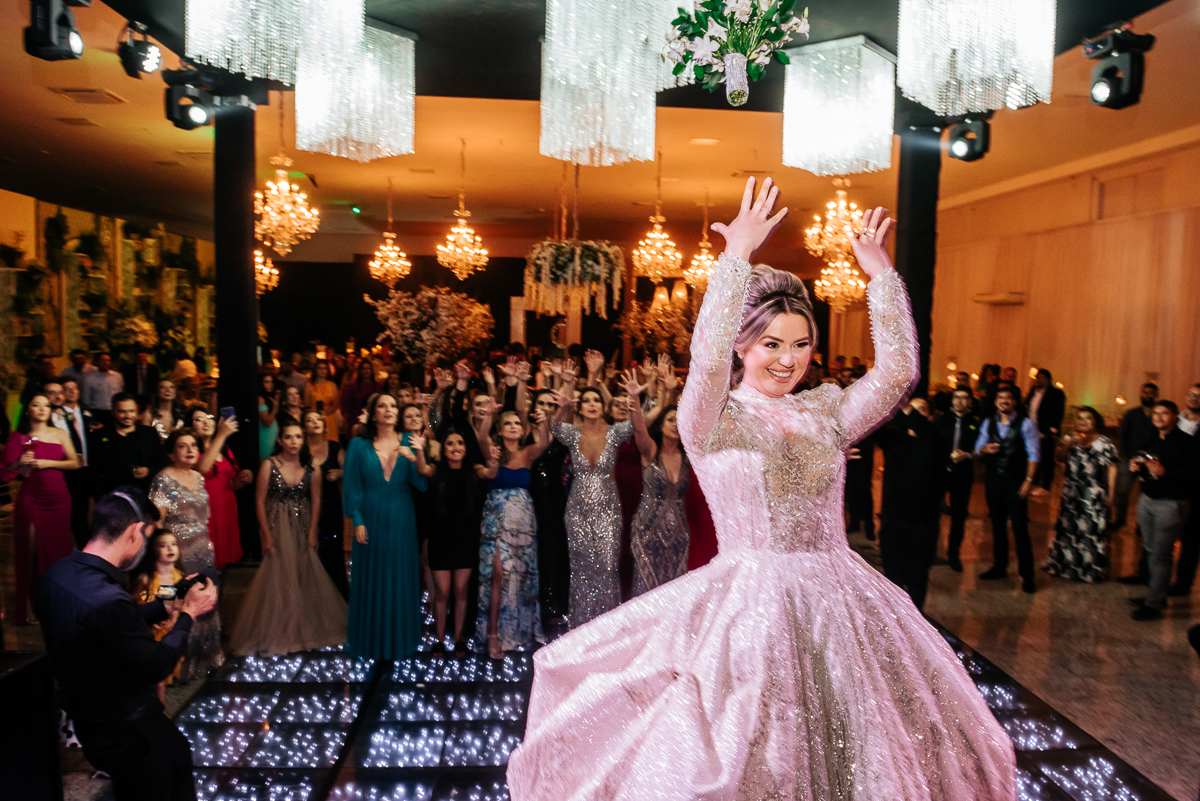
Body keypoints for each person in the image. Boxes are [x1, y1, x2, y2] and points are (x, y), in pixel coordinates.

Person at [507, 181, 1015, 801]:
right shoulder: (710, 419)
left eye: (802, 345)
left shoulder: (826, 412)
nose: (789, 359)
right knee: (756, 749)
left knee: (862, 747)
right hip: (752, 605)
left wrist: (880, 277)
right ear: (743, 345)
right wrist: (735, 259)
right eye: (772, 344)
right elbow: (707, 357)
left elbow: (899, 372)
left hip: (842, 599)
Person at [39, 489, 217, 801]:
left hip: (89, 723)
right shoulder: (108, 601)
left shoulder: (59, 574)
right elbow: (157, 663)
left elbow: (109, 626)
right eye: (147, 537)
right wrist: (189, 613)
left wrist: (168, 604)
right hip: (127, 731)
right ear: (136, 532)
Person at [230, 421, 348, 655]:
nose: (294, 442)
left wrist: (313, 531)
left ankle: (303, 628)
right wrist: (265, 534)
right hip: (277, 523)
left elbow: (316, 500)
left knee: (303, 574)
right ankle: (279, 630)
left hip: (302, 522)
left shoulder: (311, 465)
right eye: (289, 437)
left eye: (298, 437)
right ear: (280, 440)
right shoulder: (269, 465)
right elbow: (259, 501)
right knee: (279, 576)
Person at [343, 392, 430, 660]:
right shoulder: (358, 445)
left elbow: (422, 483)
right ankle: (370, 641)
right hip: (370, 516)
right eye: (382, 405)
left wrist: (417, 456)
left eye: (393, 405)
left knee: (400, 578)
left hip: (402, 518)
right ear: (373, 412)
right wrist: (357, 518)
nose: (389, 409)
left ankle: (401, 639)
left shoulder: (409, 440)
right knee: (371, 578)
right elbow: (351, 485)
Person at [552, 365, 634, 627]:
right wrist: (566, 389)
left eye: (596, 399)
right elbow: (554, 426)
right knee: (582, 571)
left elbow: (644, 423)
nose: (591, 403)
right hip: (577, 510)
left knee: (608, 568)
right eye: (586, 400)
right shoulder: (573, 433)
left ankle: (606, 629)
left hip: (609, 509)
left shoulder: (615, 432)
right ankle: (580, 627)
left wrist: (665, 392)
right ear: (580, 406)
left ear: (603, 405)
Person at [149, 428, 225, 680]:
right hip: (178, 550)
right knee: (182, 602)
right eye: (183, 446)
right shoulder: (163, 479)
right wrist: (163, 555)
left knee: (205, 597)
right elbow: (156, 520)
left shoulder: (198, 477)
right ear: (171, 453)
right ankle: (180, 666)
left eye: (193, 445)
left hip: (203, 546)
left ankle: (205, 659)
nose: (191, 449)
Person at [477, 408, 551, 658]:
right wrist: (488, 414)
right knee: (497, 574)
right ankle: (493, 634)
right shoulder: (493, 451)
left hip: (522, 522)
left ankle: (519, 632)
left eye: (517, 423)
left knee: (520, 576)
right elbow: (481, 436)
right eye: (507, 423)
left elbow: (544, 442)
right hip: (496, 520)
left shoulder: (528, 452)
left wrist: (542, 421)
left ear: (522, 429)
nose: (512, 426)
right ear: (500, 430)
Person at [1, 394, 79, 625]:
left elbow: (75, 462)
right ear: (28, 411)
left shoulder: (60, 433)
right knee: (32, 553)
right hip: (31, 498)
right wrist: (20, 462)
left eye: (46, 405)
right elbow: (8, 471)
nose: (42, 408)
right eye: (36, 404)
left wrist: (47, 463)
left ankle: (56, 603)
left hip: (58, 499)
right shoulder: (18, 437)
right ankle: (32, 605)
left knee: (57, 554)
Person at [621, 370, 691, 596]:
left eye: (679, 421)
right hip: (647, 531)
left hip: (680, 534)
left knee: (674, 591)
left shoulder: (689, 458)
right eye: (670, 420)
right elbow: (639, 428)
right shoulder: (650, 452)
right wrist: (634, 398)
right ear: (661, 424)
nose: (675, 425)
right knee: (646, 590)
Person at [428, 428, 498, 655]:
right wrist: (420, 450)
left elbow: (491, 474)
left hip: (465, 538)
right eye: (450, 443)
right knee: (442, 591)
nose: (455, 447)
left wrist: (494, 460)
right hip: (440, 538)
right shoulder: (436, 471)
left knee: (460, 590)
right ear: (443, 448)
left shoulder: (473, 471)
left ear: (466, 449)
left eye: (460, 443)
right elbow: (420, 468)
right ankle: (439, 640)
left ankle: (458, 639)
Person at [1128, 401, 1196, 621]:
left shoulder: (1188, 443)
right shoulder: (1151, 440)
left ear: (1175, 416)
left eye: (1164, 413)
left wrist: (1167, 471)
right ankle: (1155, 594)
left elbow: (1195, 474)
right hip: (1147, 499)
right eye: (1155, 413)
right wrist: (1136, 466)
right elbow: (1144, 463)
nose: (1158, 417)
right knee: (1150, 549)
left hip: (1171, 503)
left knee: (1161, 555)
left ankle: (1155, 603)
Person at [874, 397, 944, 610]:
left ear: (930, 416)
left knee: (917, 578)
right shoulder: (895, 439)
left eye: (920, 409)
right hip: (893, 522)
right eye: (910, 408)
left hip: (922, 525)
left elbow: (929, 434)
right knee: (892, 578)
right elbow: (875, 428)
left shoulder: (936, 442)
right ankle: (895, 626)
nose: (912, 412)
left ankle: (917, 625)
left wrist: (906, 407)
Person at [975, 385, 1041, 593]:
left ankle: (1027, 575)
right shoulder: (988, 423)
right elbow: (978, 447)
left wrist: (1029, 480)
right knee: (997, 525)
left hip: (1015, 482)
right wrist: (985, 449)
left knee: (1020, 528)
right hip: (993, 481)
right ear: (995, 402)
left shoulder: (1026, 424)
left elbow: (1034, 454)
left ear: (1015, 402)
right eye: (1000, 398)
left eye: (1009, 398)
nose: (1004, 401)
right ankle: (999, 566)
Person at [1041, 407, 1119, 583]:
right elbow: (1059, 458)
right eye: (1079, 418)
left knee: (1090, 532)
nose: (1082, 421)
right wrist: (1067, 444)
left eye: (1088, 418)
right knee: (1069, 530)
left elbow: (1112, 469)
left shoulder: (1104, 443)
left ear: (1095, 421)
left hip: (1093, 493)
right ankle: (1066, 566)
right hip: (1071, 493)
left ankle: (1088, 570)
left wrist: (1111, 495)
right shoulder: (1071, 438)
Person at [527, 389, 572, 621]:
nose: (544, 407)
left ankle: (554, 604)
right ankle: (530, 605)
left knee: (553, 552)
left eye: (549, 404)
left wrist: (564, 404)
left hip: (554, 500)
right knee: (529, 551)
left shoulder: (560, 434)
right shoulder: (524, 432)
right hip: (528, 497)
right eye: (540, 403)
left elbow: (567, 413)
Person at [190, 408, 253, 569]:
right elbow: (202, 468)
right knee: (206, 563)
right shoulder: (191, 450)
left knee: (224, 564)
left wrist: (245, 477)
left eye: (209, 417)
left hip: (225, 510)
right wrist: (222, 434)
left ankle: (218, 594)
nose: (205, 422)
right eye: (198, 419)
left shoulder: (226, 450)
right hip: (205, 512)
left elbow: (233, 484)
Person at [130, 530, 187, 699]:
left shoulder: (179, 577)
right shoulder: (146, 579)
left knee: (163, 674)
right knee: (155, 677)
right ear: (153, 550)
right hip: (148, 633)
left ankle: (158, 707)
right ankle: (158, 709)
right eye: (163, 545)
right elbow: (130, 605)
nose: (170, 548)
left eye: (173, 544)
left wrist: (176, 616)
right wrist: (147, 618)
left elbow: (178, 603)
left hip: (168, 632)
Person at [303, 408, 349, 598]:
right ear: (303, 427)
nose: (315, 422)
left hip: (330, 508)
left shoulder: (335, 447)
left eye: (318, 419)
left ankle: (335, 598)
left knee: (331, 553)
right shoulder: (298, 448)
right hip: (303, 507)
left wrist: (340, 473)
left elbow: (352, 472)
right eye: (309, 420)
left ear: (324, 425)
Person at [935, 386, 980, 571]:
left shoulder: (976, 424)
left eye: (964, 398)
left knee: (959, 516)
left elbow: (980, 449)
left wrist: (967, 455)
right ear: (952, 400)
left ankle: (954, 554)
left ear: (970, 401)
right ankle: (931, 552)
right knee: (933, 513)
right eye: (957, 397)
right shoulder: (941, 421)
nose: (960, 401)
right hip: (941, 472)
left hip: (963, 473)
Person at [92, 393, 163, 496]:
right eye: (122, 412)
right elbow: (94, 471)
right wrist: (100, 497)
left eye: (131, 411)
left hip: (145, 495)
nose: (128, 416)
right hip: (113, 496)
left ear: (137, 411)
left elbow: (162, 460)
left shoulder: (149, 433)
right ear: (113, 412)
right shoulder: (100, 435)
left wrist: (148, 470)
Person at [52, 377, 94, 547]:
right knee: (72, 515)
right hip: (66, 470)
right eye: (66, 389)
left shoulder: (87, 414)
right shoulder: (55, 416)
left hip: (87, 469)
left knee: (84, 512)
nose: (71, 391)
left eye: (75, 388)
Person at [1026, 368, 1066, 496]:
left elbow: (1058, 412)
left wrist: (1053, 429)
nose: (1038, 380)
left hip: (1045, 431)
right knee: (1034, 457)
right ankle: (1035, 482)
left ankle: (1046, 485)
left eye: (1042, 378)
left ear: (1048, 380)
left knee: (1047, 458)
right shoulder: (1033, 391)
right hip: (1031, 429)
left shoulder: (1056, 393)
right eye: (1037, 377)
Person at [339, 359, 379, 441]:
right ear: (360, 371)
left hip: (374, 419)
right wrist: (345, 421)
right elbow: (347, 404)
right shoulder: (353, 386)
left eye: (368, 368)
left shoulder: (377, 386)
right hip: (355, 418)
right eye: (363, 369)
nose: (366, 371)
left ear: (371, 370)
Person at [81, 353, 125, 426]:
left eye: (108, 360)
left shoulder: (117, 377)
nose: (106, 363)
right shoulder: (90, 379)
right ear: (97, 362)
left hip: (114, 412)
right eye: (103, 360)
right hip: (97, 413)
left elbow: (120, 394)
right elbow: (86, 400)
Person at [305, 359, 341, 442]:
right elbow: (306, 404)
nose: (322, 371)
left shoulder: (332, 385)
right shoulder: (309, 385)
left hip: (329, 416)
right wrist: (316, 416)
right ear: (315, 370)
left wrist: (324, 413)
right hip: (314, 417)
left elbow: (335, 404)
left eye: (324, 368)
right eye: (319, 368)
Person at [258, 372, 281, 463]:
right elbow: (267, 422)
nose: (270, 385)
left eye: (271, 382)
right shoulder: (260, 399)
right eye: (266, 382)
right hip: (265, 435)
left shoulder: (269, 398)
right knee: (268, 462)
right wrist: (275, 406)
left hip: (272, 435)